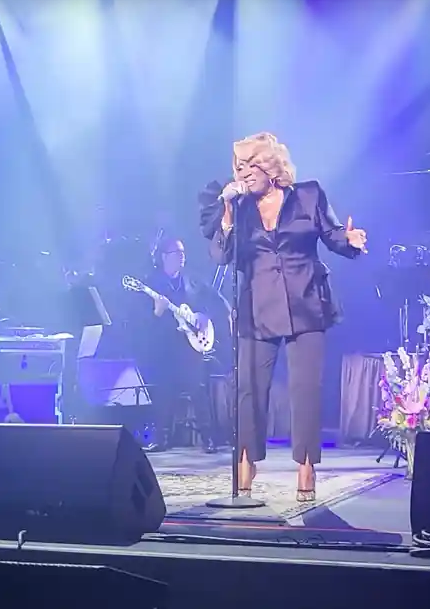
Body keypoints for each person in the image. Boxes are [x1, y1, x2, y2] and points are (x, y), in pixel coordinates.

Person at [208, 132, 367, 501]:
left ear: (270, 166)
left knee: (305, 390)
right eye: (239, 167)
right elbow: (221, 256)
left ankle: (306, 467)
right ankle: (245, 463)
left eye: (250, 165)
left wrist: (351, 241)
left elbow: (333, 235)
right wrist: (227, 215)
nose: (244, 173)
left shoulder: (308, 195)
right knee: (249, 389)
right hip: (257, 307)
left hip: (305, 302)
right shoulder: (240, 207)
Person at [139, 237, 229, 453]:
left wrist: (208, 317)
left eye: (182, 253)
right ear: (164, 257)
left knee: (198, 389)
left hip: (190, 346)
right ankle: (162, 438)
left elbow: (216, 300)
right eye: (176, 253)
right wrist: (157, 312)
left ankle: (208, 438)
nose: (181, 257)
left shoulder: (192, 281)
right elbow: (141, 322)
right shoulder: (151, 283)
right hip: (165, 346)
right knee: (164, 392)